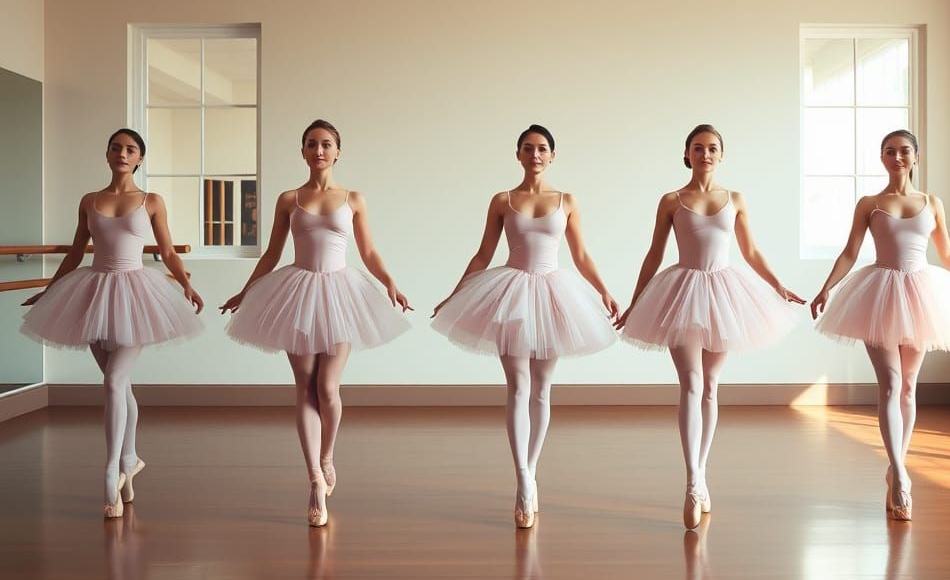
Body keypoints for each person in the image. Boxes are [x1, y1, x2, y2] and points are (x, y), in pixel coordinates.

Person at [222, 119, 411, 527]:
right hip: (298, 292)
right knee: (305, 386)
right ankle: (313, 479)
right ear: (303, 152)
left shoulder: (353, 199)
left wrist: (390, 283)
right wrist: (245, 291)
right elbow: (272, 253)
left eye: (326, 144)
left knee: (328, 387)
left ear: (338, 152)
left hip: (341, 292)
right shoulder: (289, 199)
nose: (319, 150)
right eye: (312, 144)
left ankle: (327, 456)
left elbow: (369, 251)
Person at [431, 124, 618, 529]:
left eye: (542, 149)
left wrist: (603, 290)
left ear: (552, 156)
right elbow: (483, 253)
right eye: (528, 148)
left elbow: (581, 254)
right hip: (512, 293)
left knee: (542, 387)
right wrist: (455, 293)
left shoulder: (566, 201)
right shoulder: (503, 200)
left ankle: (531, 471)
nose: (535, 155)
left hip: (553, 293)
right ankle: (522, 480)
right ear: (518, 155)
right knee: (517, 385)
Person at [618, 124, 804, 529]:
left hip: (723, 292)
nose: (705, 154)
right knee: (691, 382)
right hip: (682, 292)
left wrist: (777, 285)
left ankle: (701, 475)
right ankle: (691, 480)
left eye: (712, 148)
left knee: (711, 385)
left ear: (722, 155)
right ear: (687, 154)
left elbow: (750, 250)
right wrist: (635, 301)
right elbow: (654, 254)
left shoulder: (734, 199)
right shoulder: (671, 200)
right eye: (698, 148)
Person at [811, 130, 950, 521]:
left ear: (916, 157)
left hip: (921, 293)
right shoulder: (869, 204)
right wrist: (827, 287)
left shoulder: (931, 202)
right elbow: (850, 252)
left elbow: (947, 253)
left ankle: (897, 464)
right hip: (878, 293)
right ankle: (899, 475)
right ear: (882, 157)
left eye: (904, 151)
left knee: (909, 387)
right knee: (891, 384)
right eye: (890, 151)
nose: (897, 157)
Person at [22, 129, 203, 518]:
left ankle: (109, 474)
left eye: (130, 149)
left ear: (140, 159)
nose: (122, 153)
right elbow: (75, 254)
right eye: (116, 148)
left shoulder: (151, 201)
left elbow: (167, 251)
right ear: (107, 155)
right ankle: (130, 460)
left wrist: (186, 284)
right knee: (118, 384)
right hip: (92, 294)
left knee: (113, 382)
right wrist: (49, 291)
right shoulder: (89, 200)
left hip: (136, 295)